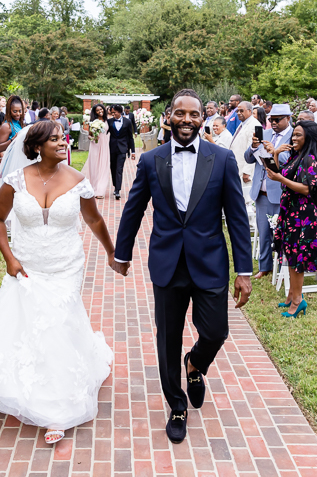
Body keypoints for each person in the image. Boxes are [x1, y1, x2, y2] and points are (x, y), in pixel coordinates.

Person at [0, 120, 114, 446]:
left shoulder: (78, 180)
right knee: (28, 323)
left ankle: (57, 409)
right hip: (27, 266)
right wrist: (9, 258)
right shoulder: (16, 180)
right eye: (53, 140)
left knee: (57, 324)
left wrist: (112, 252)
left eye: (61, 138)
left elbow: (93, 219)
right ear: (37, 146)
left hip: (66, 266)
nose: (62, 142)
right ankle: (25, 385)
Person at [111, 89, 252, 444]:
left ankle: (195, 365)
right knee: (168, 339)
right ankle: (176, 405)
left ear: (203, 118)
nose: (186, 119)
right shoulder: (150, 160)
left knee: (217, 331)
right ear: (168, 117)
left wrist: (245, 270)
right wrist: (122, 253)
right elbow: (134, 208)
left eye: (193, 114)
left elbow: (236, 217)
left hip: (210, 262)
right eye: (179, 113)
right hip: (168, 263)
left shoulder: (221, 159)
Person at [265, 120, 317, 317]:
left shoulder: (310, 159)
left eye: (299, 135)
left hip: (303, 214)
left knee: (297, 257)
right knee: (291, 255)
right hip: (291, 211)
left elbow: (308, 189)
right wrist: (274, 153)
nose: (294, 138)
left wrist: (281, 180)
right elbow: (279, 172)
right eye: (294, 134)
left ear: (309, 137)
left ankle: (298, 301)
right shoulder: (297, 156)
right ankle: (292, 295)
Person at [244, 104, 293, 280]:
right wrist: (252, 147)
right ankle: (264, 267)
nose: (273, 123)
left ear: (288, 118)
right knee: (263, 232)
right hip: (261, 192)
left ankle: (283, 268)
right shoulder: (264, 134)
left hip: (281, 192)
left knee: (281, 233)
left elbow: (291, 161)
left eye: (277, 120)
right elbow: (248, 158)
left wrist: (274, 153)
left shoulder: (294, 136)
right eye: (271, 119)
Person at [80, 104, 112, 198]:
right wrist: (93, 137)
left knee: (103, 167)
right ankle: (93, 188)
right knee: (94, 167)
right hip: (95, 145)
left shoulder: (107, 121)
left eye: (101, 109)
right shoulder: (93, 122)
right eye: (97, 110)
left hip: (104, 146)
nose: (100, 111)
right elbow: (89, 135)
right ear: (95, 112)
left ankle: (100, 190)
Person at [107, 104, 135, 199]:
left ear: (119, 112)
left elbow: (130, 138)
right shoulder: (109, 121)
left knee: (119, 169)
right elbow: (104, 133)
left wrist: (133, 151)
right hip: (112, 148)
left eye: (114, 112)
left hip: (123, 149)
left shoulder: (128, 122)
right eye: (111, 113)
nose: (112, 114)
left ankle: (117, 190)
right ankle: (115, 185)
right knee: (113, 168)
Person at [228, 101, 259, 184]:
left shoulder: (255, 125)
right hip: (236, 166)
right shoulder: (243, 124)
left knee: (245, 196)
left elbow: (255, 149)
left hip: (245, 171)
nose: (238, 113)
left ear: (250, 111)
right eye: (237, 111)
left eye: (241, 111)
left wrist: (247, 171)